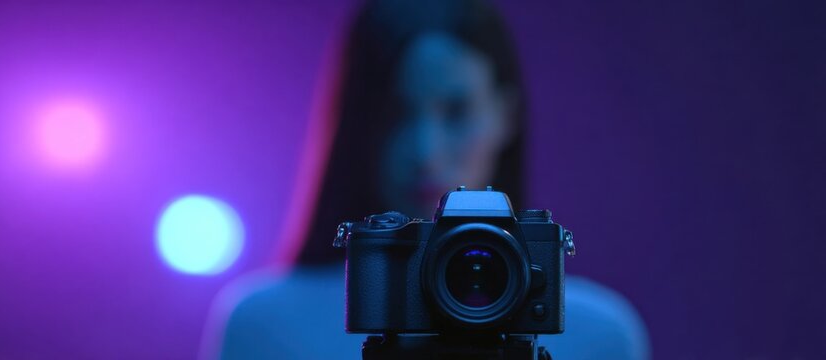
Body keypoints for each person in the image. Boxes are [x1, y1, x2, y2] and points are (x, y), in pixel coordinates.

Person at [206, 0, 650, 358]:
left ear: (505, 114)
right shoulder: (263, 326)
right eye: (395, 113)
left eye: (456, 112)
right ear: (358, 123)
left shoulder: (600, 337)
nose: (424, 152)